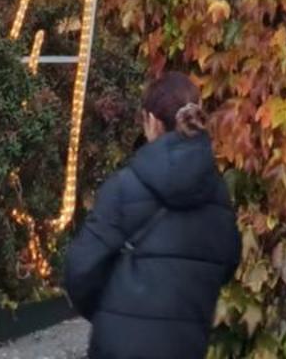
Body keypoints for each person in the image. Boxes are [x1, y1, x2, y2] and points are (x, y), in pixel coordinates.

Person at [65, 71, 240, 359]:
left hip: (117, 347)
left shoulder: (124, 187)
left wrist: (112, 309)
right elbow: (226, 264)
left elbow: (80, 270)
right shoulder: (218, 196)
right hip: (186, 347)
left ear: (152, 122)